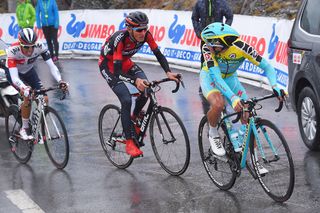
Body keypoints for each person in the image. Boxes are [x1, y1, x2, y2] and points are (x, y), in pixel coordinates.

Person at [200, 23, 285, 173]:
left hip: (231, 79)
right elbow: (217, 77)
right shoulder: (207, 48)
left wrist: (275, 85)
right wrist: (232, 98)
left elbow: (267, 66)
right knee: (219, 104)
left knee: (248, 114)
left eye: (211, 42)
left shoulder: (241, 47)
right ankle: (213, 135)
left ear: (222, 42)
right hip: (211, 77)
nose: (208, 45)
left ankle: (255, 159)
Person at [98, 11, 180, 158]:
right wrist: (135, 81)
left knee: (147, 89)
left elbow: (158, 54)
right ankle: (129, 141)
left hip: (126, 63)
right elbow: (117, 72)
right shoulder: (120, 39)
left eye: (145, 29)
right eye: (139, 30)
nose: (143, 33)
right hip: (109, 67)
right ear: (129, 29)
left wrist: (168, 72)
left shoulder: (147, 35)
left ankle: (134, 119)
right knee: (126, 99)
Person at [5, 28, 68, 140]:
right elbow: (14, 77)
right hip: (14, 73)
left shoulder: (40, 47)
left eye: (32, 46)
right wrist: (24, 87)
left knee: (45, 98)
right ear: (20, 44)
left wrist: (60, 80)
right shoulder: (12, 50)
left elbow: (52, 66)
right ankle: (24, 128)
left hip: (29, 71)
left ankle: (37, 124)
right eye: (26, 47)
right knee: (27, 96)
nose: (30, 50)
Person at [192, 0, 233, 114]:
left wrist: (223, 31)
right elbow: (194, 18)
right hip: (205, 38)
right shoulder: (199, 3)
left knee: (219, 62)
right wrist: (198, 32)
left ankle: (220, 84)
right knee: (204, 60)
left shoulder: (221, 2)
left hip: (218, 40)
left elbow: (229, 16)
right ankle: (204, 85)